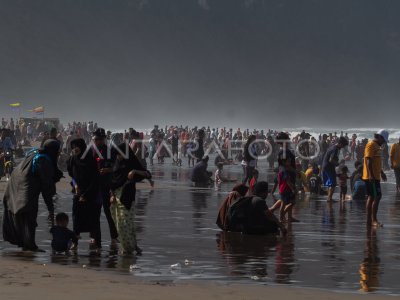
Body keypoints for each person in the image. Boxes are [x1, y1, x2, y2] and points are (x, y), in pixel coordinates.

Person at [2, 139, 61, 251]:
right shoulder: (44, 160)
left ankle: (25, 243)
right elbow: (46, 187)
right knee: (29, 212)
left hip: (16, 182)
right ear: (53, 151)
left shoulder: (37, 153)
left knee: (24, 213)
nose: (58, 154)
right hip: (24, 186)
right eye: (57, 152)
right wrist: (50, 208)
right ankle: (30, 244)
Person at [110, 143, 152, 255]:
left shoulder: (131, 163)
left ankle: (127, 248)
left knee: (126, 223)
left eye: (120, 154)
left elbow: (147, 174)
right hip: (115, 197)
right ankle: (131, 246)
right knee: (119, 224)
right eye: (117, 154)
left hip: (127, 197)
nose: (118, 156)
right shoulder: (116, 164)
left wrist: (134, 171)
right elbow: (112, 181)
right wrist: (112, 195)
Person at [67, 138, 101, 250]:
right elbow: (72, 176)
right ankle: (75, 242)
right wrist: (75, 185)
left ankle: (95, 241)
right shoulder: (72, 159)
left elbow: (95, 179)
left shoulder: (90, 160)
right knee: (76, 218)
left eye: (76, 146)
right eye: (72, 147)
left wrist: (86, 195)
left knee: (93, 218)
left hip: (91, 193)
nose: (74, 149)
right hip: (78, 192)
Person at [91, 128, 118, 247]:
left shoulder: (110, 151)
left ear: (103, 139)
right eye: (95, 139)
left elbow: (116, 168)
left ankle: (114, 237)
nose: (97, 141)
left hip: (106, 185)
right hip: (94, 186)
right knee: (94, 213)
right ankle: (94, 237)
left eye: (99, 139)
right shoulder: (91, 151)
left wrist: (108, 169)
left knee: (108, 213)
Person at [362, 129, 389, 228]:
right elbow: (368, 161)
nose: (384, 142)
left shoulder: (377, 146)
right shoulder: (371, 144)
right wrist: (370, 175)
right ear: (380, 137)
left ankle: (371, 220)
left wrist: (381, 172)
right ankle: (373, 220)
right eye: (384, 140)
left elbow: (377, 161)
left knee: (375, 196)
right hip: (371, 176)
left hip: (376, 176)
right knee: (374, 196)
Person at [321, 136, 349, 202]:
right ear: (340, 143)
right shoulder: (335, 149)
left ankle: (329, 197)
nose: (343, 147)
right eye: (343, 145)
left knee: (330, 183)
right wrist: (338, 164)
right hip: (329, 166)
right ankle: (329, 198)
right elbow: (331, 160)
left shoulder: (333, 147)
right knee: (333, 183)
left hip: (325, 166)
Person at [278, 158, 298, 222]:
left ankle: (289, 217)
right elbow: (287, 181)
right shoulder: (284, 170)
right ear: (284, 162)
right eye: (288, 161)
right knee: (284, 204)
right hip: (285, 189)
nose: (289, 163)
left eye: (290, 161)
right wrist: (293, 189)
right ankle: (281, 217)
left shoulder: (285, 169)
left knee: (291, 203)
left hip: (286, 189)